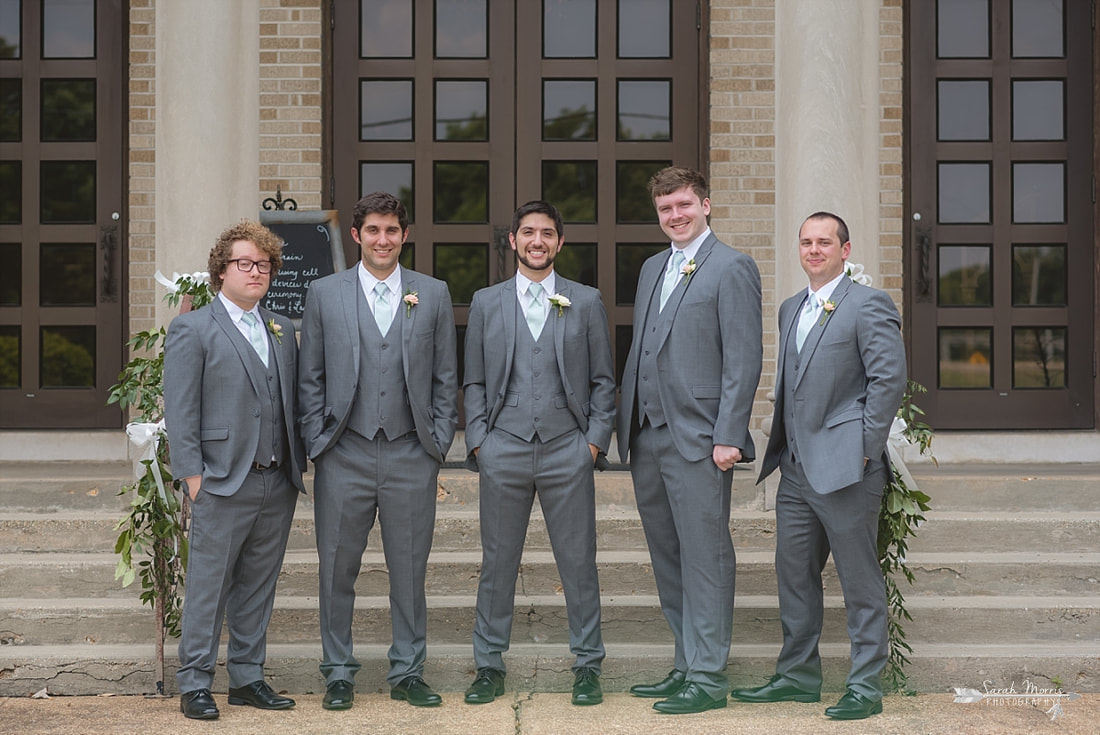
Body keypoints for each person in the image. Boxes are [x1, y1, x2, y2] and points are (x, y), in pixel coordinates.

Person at [730, 211, 906, 720]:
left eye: (824, 242)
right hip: (795, 470)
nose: (813, 250)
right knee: (794, 575)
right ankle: (798, 677)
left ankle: (865, 686)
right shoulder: (790, 308)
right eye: (806, 242)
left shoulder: (868, 304)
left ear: (845, 250)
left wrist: (865, 449)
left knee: (859, 579)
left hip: (848, 468)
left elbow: (887, 382)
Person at [298, 191, 458, 710]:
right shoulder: (325, 294)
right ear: (356, 236)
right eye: (373, 231)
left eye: (392, 231)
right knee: (336, 569)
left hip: (411, 452)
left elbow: (444, 376)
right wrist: (318, 442)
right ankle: (339, 672)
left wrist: (437, 441)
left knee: (410, 570)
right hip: (344, 451)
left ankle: (408, 671)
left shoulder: (431, 294)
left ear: (404, 235)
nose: (383, 240)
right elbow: (311, 376)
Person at [617, 167, 762, 714]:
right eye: (665, 209)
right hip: (648, 435)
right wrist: (624, 424)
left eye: (683, 205)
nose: (674, 216)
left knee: (705, 557)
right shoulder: (653, 266)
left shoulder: (732, 267)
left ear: (706, 204)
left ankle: (708, 675)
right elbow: (645, 347)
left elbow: (743, 357)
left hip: (702, 439)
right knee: (668, 557)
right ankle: (684, 664)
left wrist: (730, 433)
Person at [462, 200, 615, 707]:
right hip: (502, 448)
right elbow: (475, 380)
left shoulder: (585, 300)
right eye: (528, 232)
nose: (537, 241)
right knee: (497, 563)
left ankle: (587, 666)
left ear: (560, 242)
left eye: (547, 233)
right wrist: (480, 440)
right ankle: (488, 665)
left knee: (578, 563)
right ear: (512, 241)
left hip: (566, 449)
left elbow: (602, 381)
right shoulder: (486, 302)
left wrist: (592, 443)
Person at [164, 220, 305, 720]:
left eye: (263, 264)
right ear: (221, 271)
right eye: (244, 263)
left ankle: (247, 678)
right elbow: (180, 409)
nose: (256, 272)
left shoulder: (283, 327)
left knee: (258, 584)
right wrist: (193, 478)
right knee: (209, 583)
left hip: (276, 478)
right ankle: (195, 682)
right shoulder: (193, 327)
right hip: (221, 479)